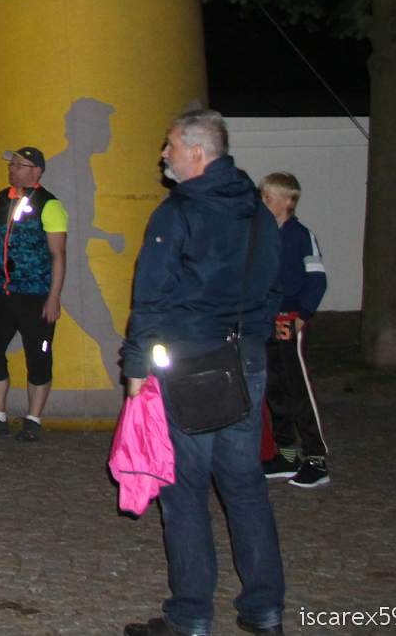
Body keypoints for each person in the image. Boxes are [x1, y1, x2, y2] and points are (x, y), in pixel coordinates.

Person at [120, 108, 284, 636]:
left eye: (169, 145)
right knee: (245, 485)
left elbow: (151, 294)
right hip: (244, 358)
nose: (162, 154)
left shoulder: (178, 212)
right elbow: (271, 285)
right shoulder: (258, 212)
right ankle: (264, 609)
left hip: (190, 362)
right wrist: (252, 337)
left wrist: (136, 364)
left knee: (185, 488)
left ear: (197, 152)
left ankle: (190, 616)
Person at [0, 146, 68, 441]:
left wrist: (53, 296)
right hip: (2, 291)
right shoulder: (1, 199)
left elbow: (58, 254)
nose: (12, 169)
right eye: (11, 164)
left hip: (36, 294)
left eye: (19, 165)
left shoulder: (50, 205)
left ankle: (33, 420)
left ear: (36, 171)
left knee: (38, 358)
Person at [259, 171, 330, 489]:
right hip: (268, 322)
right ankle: (287, 455)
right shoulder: (264, 235)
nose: (264, 202)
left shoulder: (300, 235)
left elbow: (317, 278)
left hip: (290, 321)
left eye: (269, 197)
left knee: (298, 389)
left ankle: (316, 458)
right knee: (274, 388)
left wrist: (304, 313)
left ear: (288, 201)